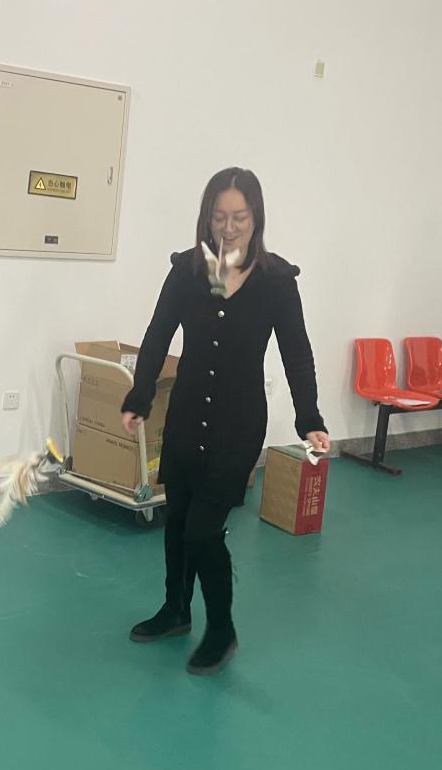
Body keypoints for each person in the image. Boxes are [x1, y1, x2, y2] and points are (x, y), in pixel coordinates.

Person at [121, 167, 328, 676]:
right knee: (178, 518)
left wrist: (309, 417)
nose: (229, 228)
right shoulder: (190, 271)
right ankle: (175, 610)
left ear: (256, 218)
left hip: (238, 424)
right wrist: (140, 394)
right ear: (206, 217)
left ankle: (221, 629)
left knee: (204, 530)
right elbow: (157, 334)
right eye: (219, 217)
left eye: (239, 217)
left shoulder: (276, 281)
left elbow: (297, 353)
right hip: (188, 413)